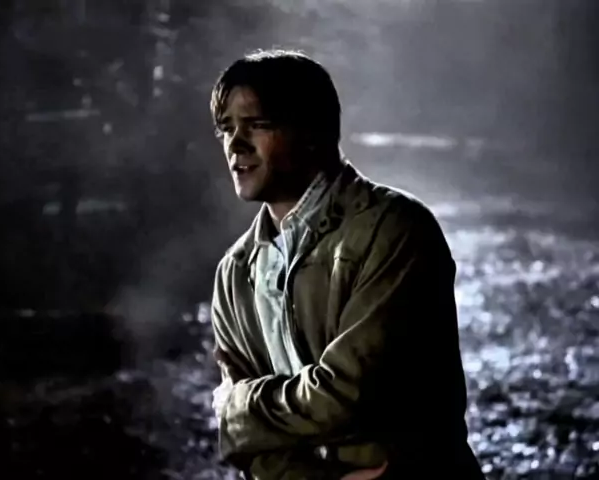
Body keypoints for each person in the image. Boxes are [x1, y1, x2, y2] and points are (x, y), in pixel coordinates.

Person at [208, 48, 485, 480]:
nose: (235, 143)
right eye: (226, 128)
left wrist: (240, 406)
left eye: (257, 124)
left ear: (312, 132)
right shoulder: (235, 272)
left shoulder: (394, 229)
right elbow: (240, 441)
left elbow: (348, 395)